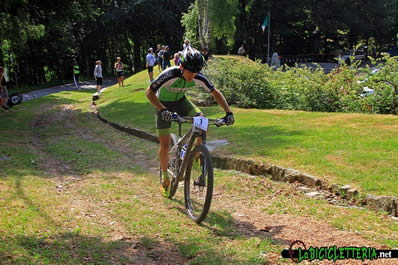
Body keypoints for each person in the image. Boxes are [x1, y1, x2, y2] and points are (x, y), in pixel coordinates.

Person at [145, 47, 235, 196]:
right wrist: (162, 110)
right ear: (182, 67)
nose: (193, 76)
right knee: (165, 145)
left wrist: (228, 112)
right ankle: (165, 176)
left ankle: (197, 156)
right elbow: (149, 92)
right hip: (162, 104)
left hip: (181, 102)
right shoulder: (169, 74)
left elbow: (215, 92)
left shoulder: (198, 76)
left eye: (196, 72)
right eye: (190, 72)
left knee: (202, 120)